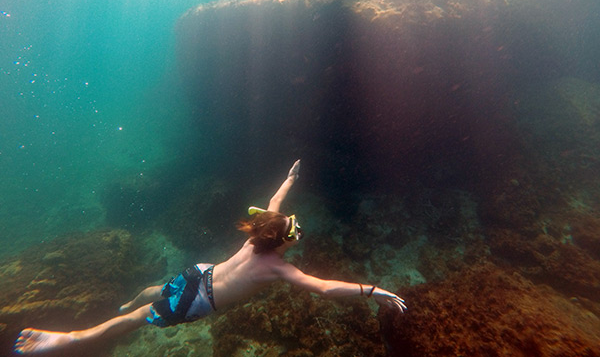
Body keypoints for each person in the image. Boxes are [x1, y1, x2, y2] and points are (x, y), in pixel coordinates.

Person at [14, 160, 406, 354]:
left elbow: (274, 204)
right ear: (282, 240)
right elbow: (322, 288)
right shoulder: (277, 266)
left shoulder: (258, 239)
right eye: (295, 231)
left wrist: (290, 179)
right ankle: (62, 340)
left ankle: (133, 296)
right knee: (132, 323)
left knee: (151, 293)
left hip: (198, 273)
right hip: (201, 299)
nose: (298, 233)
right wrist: (371, 290)